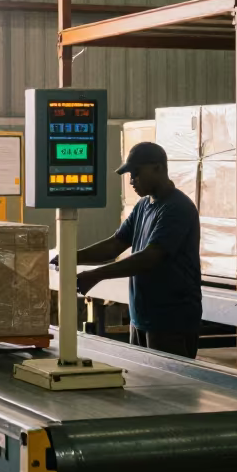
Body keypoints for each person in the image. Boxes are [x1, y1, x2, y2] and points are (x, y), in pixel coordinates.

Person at [74, 140, 201, 359]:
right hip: (141, 317)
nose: (131, 180)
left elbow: (150, 257)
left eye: (136, 173)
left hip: (170, 321)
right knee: (144, 384)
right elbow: (115, 244)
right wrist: (71, 257)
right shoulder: (143, 206)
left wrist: (96, 275)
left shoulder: (177, 208)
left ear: (158, 168)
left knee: (168, 388)